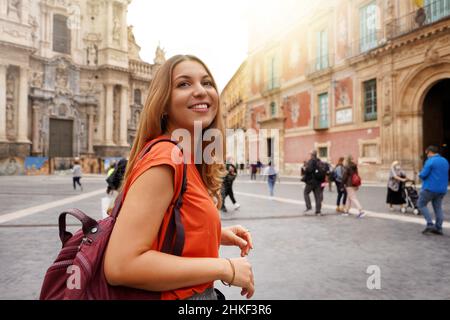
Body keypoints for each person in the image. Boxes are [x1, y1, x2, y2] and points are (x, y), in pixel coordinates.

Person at [103, 55, 255, 300]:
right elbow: (121, 265)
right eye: (184, 84)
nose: (200, 91)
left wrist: (215, 231)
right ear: (163, 103)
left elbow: (170, 226)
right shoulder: (166, 158)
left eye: (207, 83)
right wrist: (226, 268)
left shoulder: (184, 158)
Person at [418, 145, 449, 236]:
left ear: (430, 152)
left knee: (421, 204)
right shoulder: (445, 160)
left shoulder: (430, 161)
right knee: (438, 208)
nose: (426, 155)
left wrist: (420, 174)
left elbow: (423, 175)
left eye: (426, 153)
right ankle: (438, 228)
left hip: (430, 188)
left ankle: (430, 224)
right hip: (442, 189)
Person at [303, 151, 324, 216]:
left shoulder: (311, 161)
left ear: (312, 155)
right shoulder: (319, 161)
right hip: (318, 182)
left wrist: (305, 168)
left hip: (311, 182)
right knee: (317, 197)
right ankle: (318, 211)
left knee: (306, 192)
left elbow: (308, 170)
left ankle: (309, 206)